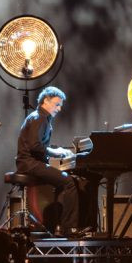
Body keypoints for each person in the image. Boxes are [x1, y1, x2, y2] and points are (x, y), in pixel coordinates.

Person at [16, 86, 80, 236]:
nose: (59, 109)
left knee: (62, 181)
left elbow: (38, 145)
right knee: (69, 182)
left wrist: (57, 151)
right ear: (46, 100)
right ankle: (69, 228)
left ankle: (57, 226)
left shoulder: (39, 117)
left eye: (60, 106)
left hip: (30, 163)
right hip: (29, 164)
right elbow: (34, 146)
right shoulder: (39, 118)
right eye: (57, 104)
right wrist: (57, 152)